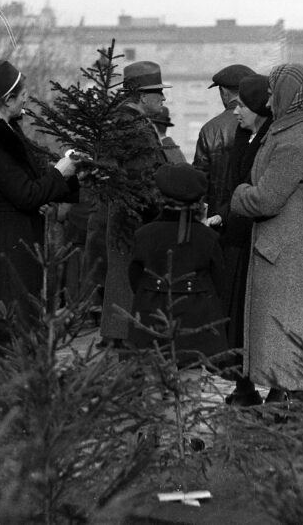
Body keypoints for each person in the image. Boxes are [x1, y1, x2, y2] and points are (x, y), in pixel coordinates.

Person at [0, 59, 79, 352]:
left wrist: (67, 174)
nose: (26, 97)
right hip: (4, 243)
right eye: (21, 93)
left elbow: (29, 187)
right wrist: (60, 172)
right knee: (8, 326)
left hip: (11, 239)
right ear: (5, 100)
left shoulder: (5, 131)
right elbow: (25, 194)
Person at [230, 63, 303, 403]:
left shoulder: (295, 142)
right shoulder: (292, 134)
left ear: (288, 96)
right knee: (289, 359)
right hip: (289, 259)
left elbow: (265, 199)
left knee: (291, 359)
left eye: (275, 92)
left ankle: (293, 431)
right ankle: (289, 423)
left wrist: (238, 193)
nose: (270, 100)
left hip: (291, 265)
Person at [210, 73, 273, 406]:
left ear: (260, 107)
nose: (235, 112)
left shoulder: (272, 138)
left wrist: (226, 210)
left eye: (243, 106)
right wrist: (221, 214)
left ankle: (273, 388)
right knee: (237, 319)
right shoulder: (242, 135)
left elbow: (257, 190)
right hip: (237, 235)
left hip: (258, 240)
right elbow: (237, 185)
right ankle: (243, 385)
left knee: (260, 319)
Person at [127, 163, 228, 366]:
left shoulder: (144, 235)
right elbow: (219, 281)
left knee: (154, 382)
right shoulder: (208, 237)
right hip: (196, 323)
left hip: (151, 318)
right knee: (191, 383)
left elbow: (134, 277)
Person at [100, 60, 169, 343]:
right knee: (126, 284)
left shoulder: (123, 121)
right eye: (158, 92)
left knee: (121, 281)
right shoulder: (134, 125)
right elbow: (144, 178)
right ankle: (126, 346)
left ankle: (122, 340)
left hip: (124, 216)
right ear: (142, 96)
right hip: (134, 219)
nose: (163, 98)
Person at [193, 64, 255, 220]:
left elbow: (199, 180)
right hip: (252, 217)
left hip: (216, 219)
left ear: (224, 92)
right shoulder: (260, 123)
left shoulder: (210, 128)